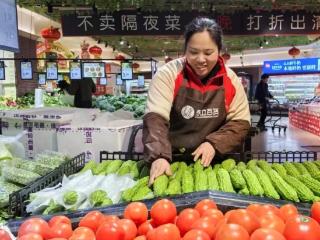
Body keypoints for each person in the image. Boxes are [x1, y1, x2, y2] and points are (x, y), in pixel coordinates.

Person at [143, 17, 251, 185]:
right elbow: (156, 118)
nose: (201, 59)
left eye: (208, 53)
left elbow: (241, 122)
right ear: (185, 50)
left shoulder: (230, 79)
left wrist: (214, 144)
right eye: (193, 52)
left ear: (219, 51)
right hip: (171, 160)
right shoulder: (168, 74)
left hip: (215, 161)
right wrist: (159, 156)